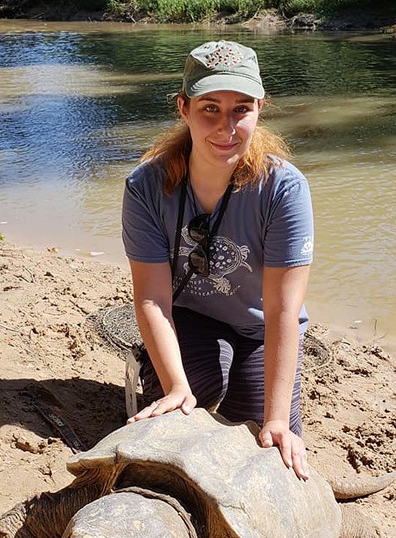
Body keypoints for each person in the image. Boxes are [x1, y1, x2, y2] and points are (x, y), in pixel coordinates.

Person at [121, 40, 315, 481]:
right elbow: (152, 298)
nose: (226, 127)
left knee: (265, 444)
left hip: (260, 327)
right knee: (196, 395)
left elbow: (283, 310)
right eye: (210, 108)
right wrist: (175, 388)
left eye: (241, 109)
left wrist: (278, 420)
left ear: (259, 109)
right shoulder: (146, 186)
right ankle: (160, 377)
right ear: (183, 108)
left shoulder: (284, 189)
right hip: (188, 316)